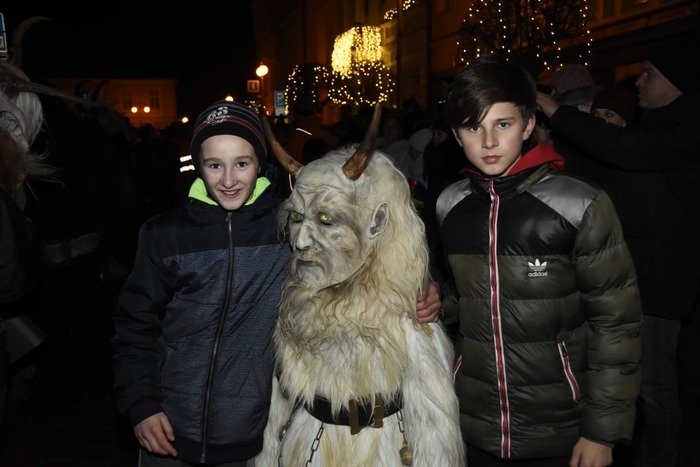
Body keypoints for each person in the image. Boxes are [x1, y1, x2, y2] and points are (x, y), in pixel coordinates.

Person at [111, 100, 442, 467]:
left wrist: (426, 284)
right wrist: (141, 403)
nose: (228, 179)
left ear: (260, 163)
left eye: (242, 163)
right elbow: (134, 324)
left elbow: (374, 249)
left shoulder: (287, 227)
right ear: (198, 165)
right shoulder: (165, 235)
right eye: (214, 165)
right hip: (168, 429)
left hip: (245, 436)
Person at [436, 55, 643, 466]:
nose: (488, 141)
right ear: (456, 135)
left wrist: (602, 431)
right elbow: (465, 295)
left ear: (529, 125)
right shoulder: (450, 206)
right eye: (473, 127)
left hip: (561, 429)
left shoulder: (578, 203)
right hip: (474, 425)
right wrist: (433, 300)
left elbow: (616, 322)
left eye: (503, 124)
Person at [536, 32, 700, 467]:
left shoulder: (686, 131)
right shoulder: (659, 128)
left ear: (678, 81)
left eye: (649, 74)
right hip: (632, 277)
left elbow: (623, 149)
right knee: (629, 380)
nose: (639, 82)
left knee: (654, 386)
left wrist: (555, 109)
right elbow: (606, 172)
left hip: (660, 282)